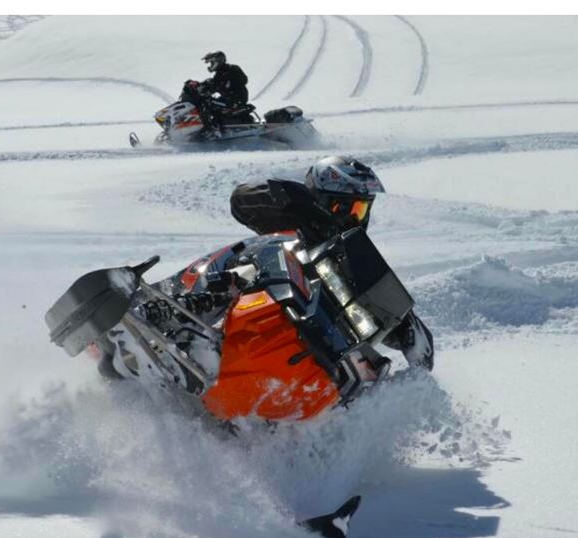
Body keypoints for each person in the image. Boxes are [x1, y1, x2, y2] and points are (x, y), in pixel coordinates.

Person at [230, 156, 434, 370]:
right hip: (254, 284)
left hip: (304, 334)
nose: (355, 219)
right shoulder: (292, 211)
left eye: (362, 210)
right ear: (324, 200)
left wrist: (406, 326)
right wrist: (295, 200)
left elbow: (377, 296)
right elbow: (240, 199)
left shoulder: (350, 255)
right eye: (350, 209)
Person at [181, 51, 249, 133]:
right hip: (228, 98)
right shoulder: (219, 73)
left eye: (212, 63)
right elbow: (212, 84)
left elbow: (244, 80)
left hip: (236, 99)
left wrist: (228, 83)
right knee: (207, 101)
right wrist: (197, 85)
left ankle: (210, 130)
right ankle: (205, 127)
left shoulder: (232, 69)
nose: (211, 65)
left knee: (209, 103)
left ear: (218, 61)